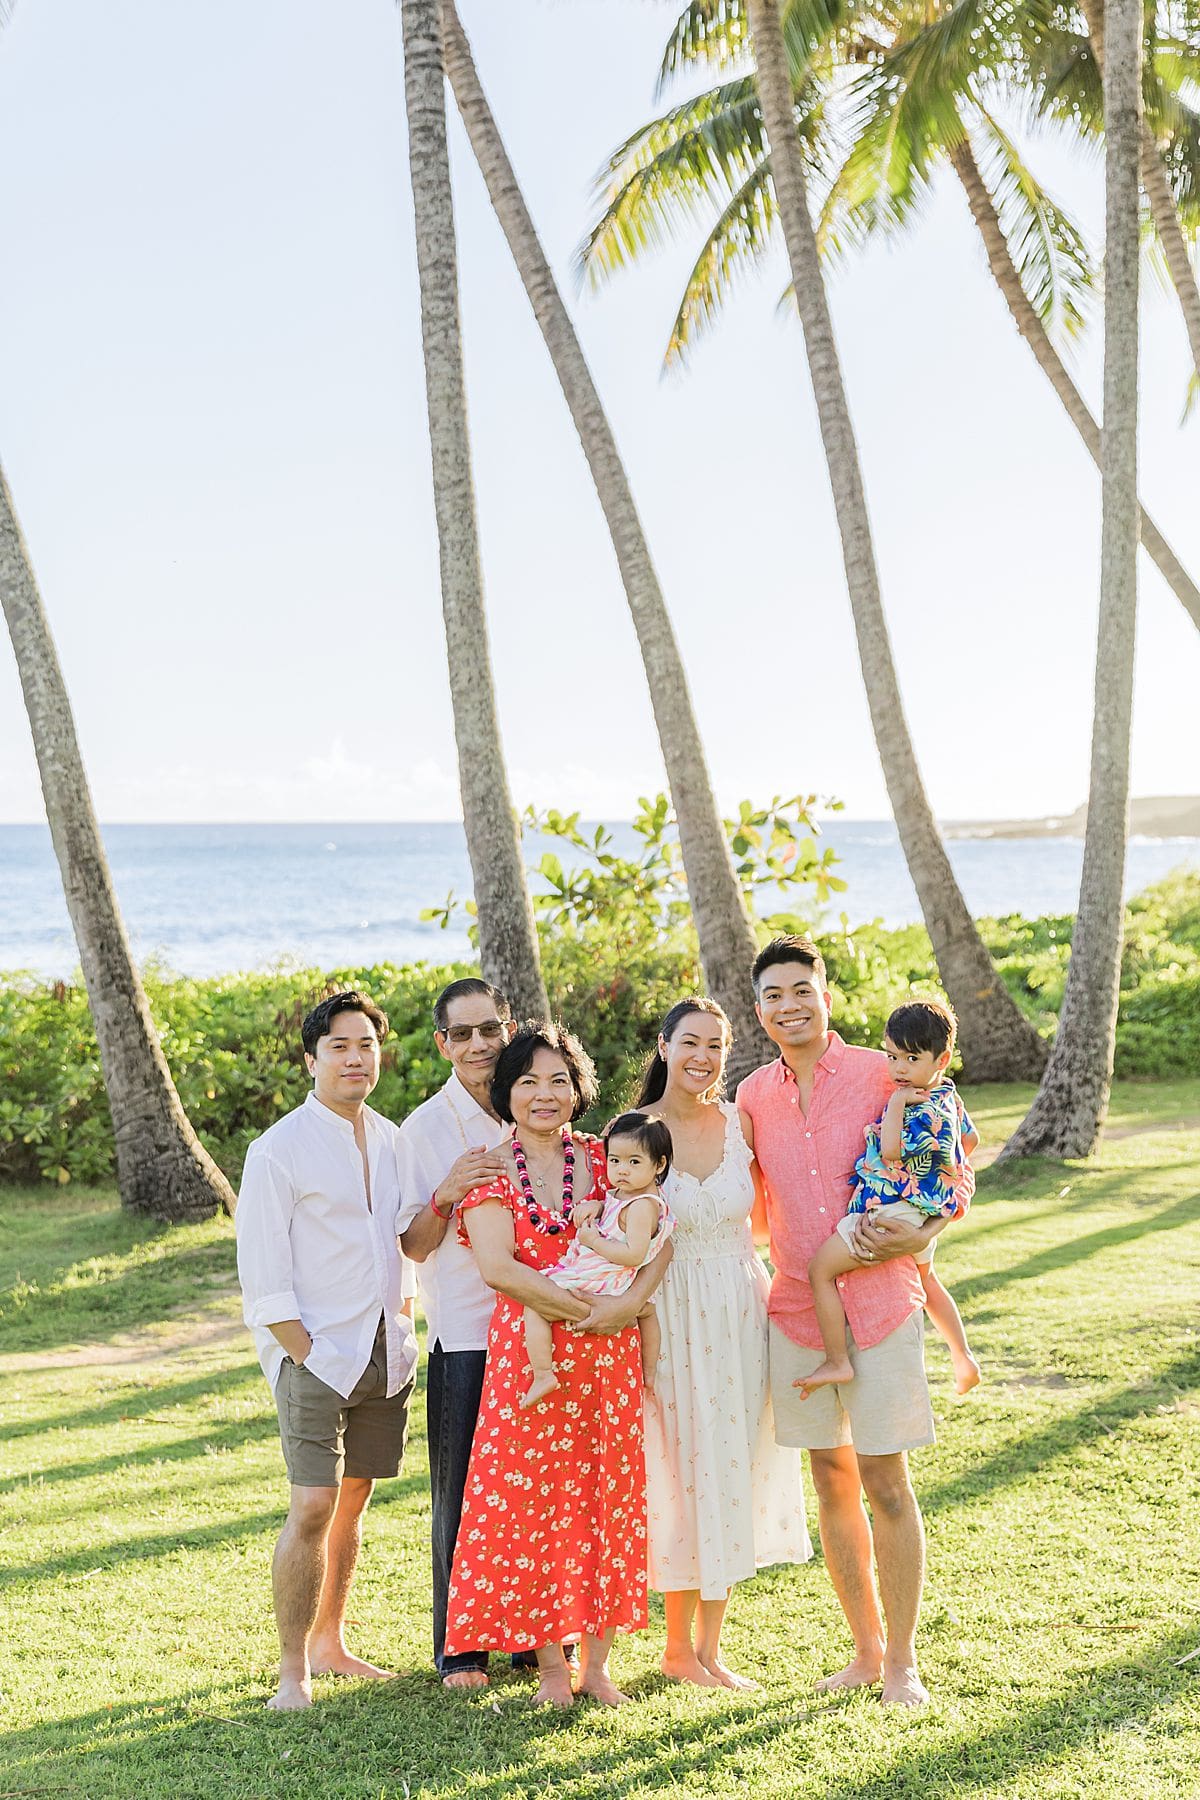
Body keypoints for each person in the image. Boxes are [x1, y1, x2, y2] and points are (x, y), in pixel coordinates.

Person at [736, 937, 948, 1708]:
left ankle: (902, 1663)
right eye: (773, 996)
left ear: (825, 993)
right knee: (831, 1476)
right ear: (758, 1010)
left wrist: (926, 1235)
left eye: (801, 990)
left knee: (885, 1478)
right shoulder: (753, 1096)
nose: (788, 1006)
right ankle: (863, 1653)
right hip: (797, 1306)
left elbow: (955, 1163)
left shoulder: (881, 1071)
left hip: (882, 1301)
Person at [445, 1022, 670, 1709]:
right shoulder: (488, 1170)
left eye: (559, 1080)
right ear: (504, 1093)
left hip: (608, 1352)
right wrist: (582, 1310)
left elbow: (661, 1237)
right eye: (527, 1081)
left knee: (607, 1502)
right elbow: (497, 1268)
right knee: (534, 1510)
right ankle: (550, 1671)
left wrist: (627, 1304)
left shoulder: (612, 1157)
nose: (545, 1094)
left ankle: (597, 1667)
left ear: (579, 1089)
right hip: (533, 1356)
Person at [235, 990, 418, 1711]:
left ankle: (330, 1643)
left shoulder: (395, 1138)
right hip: (313, 1354)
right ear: (311, 1058)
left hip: (386, 1349)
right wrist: (306, 1352)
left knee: (353, 1501)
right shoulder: (276, 1149)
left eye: (366, 1044)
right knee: (312, 1504)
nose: (354, 1057)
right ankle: (291, 1673)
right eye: (339, 1045)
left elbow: (409, 1236)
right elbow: (265, 1279)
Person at [638, 998, 811, 1691]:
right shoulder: (635, 1132)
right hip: (670, 1310)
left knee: (735, 1463)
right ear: (664, 1044)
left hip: (742, 1305)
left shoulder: (740, 1123)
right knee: (682, 1468)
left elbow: (779, 1210)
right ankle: (676, 1647)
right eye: (690, 1042)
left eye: (715, 1045)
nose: (703, 1057)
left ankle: (709, 1649)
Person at [394, 977, 516, 1692]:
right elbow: (413, 1244)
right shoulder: (424, 1129)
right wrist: (447, 1191)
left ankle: (535, 1638)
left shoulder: (535, 1100)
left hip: (539, 1326)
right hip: (467, 1332)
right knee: (461, 1493)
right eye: (462, 1034)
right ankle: (461, 1647)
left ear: (507, 1030)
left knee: (530, 1486)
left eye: (489, 1030)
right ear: (443, 1043)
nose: (478, 1046)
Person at [803, 997, 981, 1400]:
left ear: (942, 1058)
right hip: (920, 1212)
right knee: (928, 1280)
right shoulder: (949, 1095)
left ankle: (836, 1360)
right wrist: (942, 1173)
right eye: (892, 1057)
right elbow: (971, 1140)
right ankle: (963, 1356)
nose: (898, 1070)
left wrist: (897, 1103)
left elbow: (891, 1153)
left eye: (911, 1058)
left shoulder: (917, 1106)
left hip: (891, 1210)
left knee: (820, 1271)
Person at [522, 1110, 674, 1407]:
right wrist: (598, 1205)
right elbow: (617, 1213)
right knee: (647, 1311)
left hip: (605, 1278)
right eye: (614, 1160)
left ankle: (542, 1373)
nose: (622, 1170)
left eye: (634, 1162)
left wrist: (593, 1240)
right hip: (618, 1282)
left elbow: (633, 1254)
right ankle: (650, 1373)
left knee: (536, 1305)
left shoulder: (643, 1207)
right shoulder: (628, 1195)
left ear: (659, 1164)